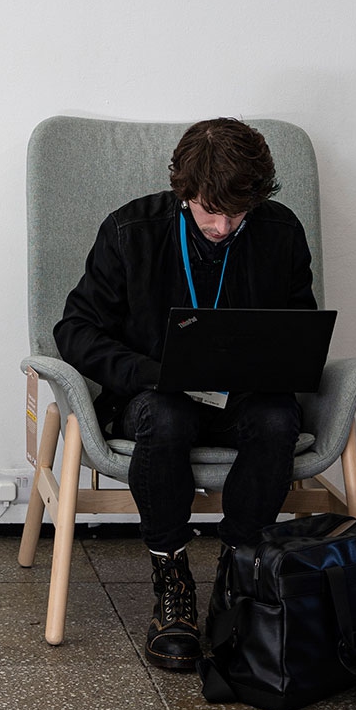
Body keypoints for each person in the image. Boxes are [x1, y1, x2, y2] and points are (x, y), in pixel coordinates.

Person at [54, 118, 315, 670]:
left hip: (244, 397)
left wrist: (278, 362)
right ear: (184, 192)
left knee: (277, 420)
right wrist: (148, 372)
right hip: (156, 396)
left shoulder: (281, 231)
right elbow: (74, 329)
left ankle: (237, 572)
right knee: (164, 418)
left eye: (236, 215)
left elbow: (301, 323)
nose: (221, 226)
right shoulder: (131, 230)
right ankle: (171, 578)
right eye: (208, 212)